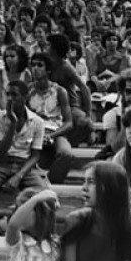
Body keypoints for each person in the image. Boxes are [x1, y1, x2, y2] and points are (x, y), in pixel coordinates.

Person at [0, 79, 49, 234]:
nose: (9, 99)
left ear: (25, 96)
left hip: (26, 166)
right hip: (2, 163)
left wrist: (19, 176)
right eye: (7, 94)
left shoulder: (37, 121)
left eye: (14, 95)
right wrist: (13, 123)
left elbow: (35, 156)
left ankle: (15, 223)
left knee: (44, 194)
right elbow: (1, 150)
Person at [27, 53, 77, 184]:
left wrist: (51, 136)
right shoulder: (28, 90)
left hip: (54, 132)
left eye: (39, 65)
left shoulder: (60, 91)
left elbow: (69, 123)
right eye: (33, 65)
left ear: (48, 70)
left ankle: (51, 184)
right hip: (33, 132)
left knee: (66, 154)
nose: (35, 68)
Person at [4, 187, 61, 261]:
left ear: (41, 214)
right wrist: (35, 199)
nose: (18, 213)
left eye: (25, 208)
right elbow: (13, 225)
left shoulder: (55, 244)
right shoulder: (18, 241)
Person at [100, 69, 131, 156]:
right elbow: (113, 149)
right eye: (129, 92)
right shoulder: (113, 115)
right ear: (122, 92)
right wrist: (126, 120)